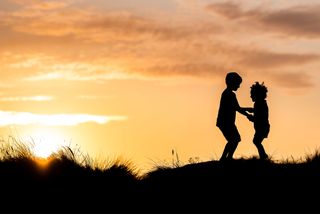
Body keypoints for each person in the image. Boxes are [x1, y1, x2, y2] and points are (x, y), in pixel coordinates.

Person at [216, 72, 251, 161]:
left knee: (234, 140)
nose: (239, 86)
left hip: (225, 122)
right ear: (232, 83)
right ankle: (226, 158)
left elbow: (237, 108)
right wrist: (248, 113)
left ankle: (226, 158)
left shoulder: (227, 93)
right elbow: (237, 108)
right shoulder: (229, 94)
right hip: (226, 122)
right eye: (238, 84)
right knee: (234, 139)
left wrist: (248, 110)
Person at [246, 82, 270, 160]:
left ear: (257, 95)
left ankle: (263, 155)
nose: (250, 96)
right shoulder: (261, 103)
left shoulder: (258, 104)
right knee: (257, 141)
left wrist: (250, 118)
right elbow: (258, 112)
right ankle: (263, 155)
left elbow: (259, 117)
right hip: (263, 127)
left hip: (262, 127)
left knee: (256, 141)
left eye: (252, 94)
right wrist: (251, 110)